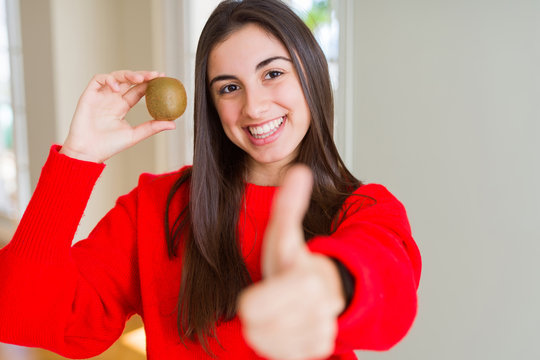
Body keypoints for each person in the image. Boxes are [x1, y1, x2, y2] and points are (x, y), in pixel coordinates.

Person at [0, 0, 422, 359]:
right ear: (212, 106)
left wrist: (327, 283)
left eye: (272, 74)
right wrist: (77, 159)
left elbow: (392, 296)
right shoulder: (156, 207)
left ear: (310, 74)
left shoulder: (365, 209)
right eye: (228, 87)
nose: (254, 107)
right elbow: (19, 315)